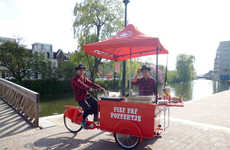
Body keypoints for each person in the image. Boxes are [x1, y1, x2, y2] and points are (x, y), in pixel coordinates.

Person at [72, 64, 105, 129]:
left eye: (83, 70)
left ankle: (95, 120)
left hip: (87, 96)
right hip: (80, 98)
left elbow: (91, 83)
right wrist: (88, 88)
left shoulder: (84, 78)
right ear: (77, 71)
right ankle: (83, 121)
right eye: (80, 70)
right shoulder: (75, 79)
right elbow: (81, 85)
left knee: (96, 104)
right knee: (87, 109)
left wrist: (100, 88)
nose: (82, 71)